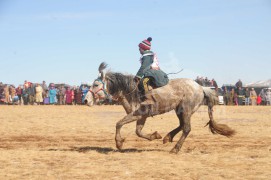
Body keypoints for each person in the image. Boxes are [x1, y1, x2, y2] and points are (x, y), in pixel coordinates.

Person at [134, 37, 169, 105]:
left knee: (143, 82)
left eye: (139, 48)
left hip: (153, 73)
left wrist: (138, 76)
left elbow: (144, 66)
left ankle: (149, 99)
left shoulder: (147, 55)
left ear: (143, 48)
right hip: (152, 73)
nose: (138, 50)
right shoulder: (148, 55)